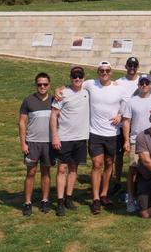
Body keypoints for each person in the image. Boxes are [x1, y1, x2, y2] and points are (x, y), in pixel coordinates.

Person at [83, 61, 129, 214]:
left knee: (109, 163)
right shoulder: (90, 84)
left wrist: (120, 115)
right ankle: (95, 198)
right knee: (97, 164)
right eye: (101, 70)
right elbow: (74, 86)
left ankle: (104, 194)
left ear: (111, 72)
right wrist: (58, 89)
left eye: (107, 70)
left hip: (113, 134)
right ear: (98, 72)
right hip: (95, 133)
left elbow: (126, 103)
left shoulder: (119, 89)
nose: (104, 73)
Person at [50, 66, 90, 216]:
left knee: (74, 169)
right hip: (64, 137)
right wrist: (55, 135)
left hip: (80, 138)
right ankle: (59, 201)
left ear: (84, 78)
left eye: (80, 76)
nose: (77, 79)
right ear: (70, 78)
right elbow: (54, 115)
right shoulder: (63, 94)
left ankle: (69, 198)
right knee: (62, 169)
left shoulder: (87, 91)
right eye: (74, 76)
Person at [121, 74, 151, 212]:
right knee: (133, 169)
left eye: (147, 83)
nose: (144, 85)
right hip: (135, 141)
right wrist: (126, 140)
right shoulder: (131, 101)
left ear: (150, 84)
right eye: (142, 83)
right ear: (138, 85)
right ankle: (131, 198)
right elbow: (126, 121)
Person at [19, 72, 53, 216]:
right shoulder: (28, 101)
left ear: (49, 85)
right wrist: (23, 143)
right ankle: (27, 203)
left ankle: (45, 201)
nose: (42, 86)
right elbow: (21, 122)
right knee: (31, 173)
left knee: (46, 172)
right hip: (32, 143)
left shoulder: (54, 100)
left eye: (45, 84)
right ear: (36, 85)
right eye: (39, 84)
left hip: (49, 143)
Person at [112, 57, 141, 197]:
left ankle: (135, 183)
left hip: (136, 123)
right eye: (130, 65)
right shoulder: (118, 82)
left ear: (137, 67)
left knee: (135, 156)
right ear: (125, 66)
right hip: (122, 122)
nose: (132, 67)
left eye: (134, 65)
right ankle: (117, 181)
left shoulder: (142, 81)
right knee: (119, 155)